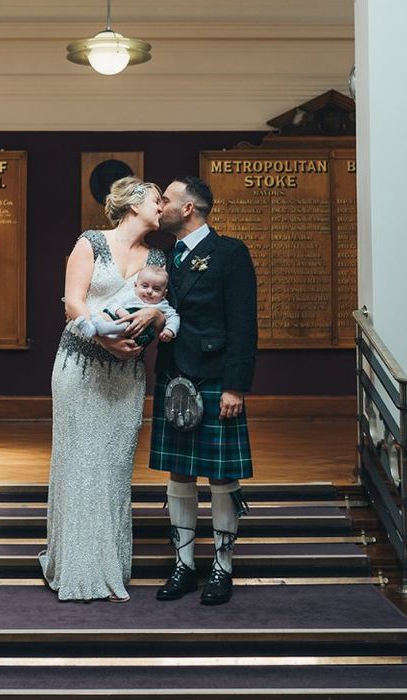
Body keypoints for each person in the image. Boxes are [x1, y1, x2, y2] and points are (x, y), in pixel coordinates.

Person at [39, 176, 166, 602]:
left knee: (113, 468)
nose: (162, 206)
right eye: (156, 199)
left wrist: (150, 328)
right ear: (133, 205)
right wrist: (104, 339)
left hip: (127, 376)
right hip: (80, 365)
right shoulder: (90, 242)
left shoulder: (158, 256)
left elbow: (161, 311)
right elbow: (73, 302)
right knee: (79, 464)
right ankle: (75, 569)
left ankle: (109, 567)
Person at [149, 175, 257, 606]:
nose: (161, 208)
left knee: (222, 475)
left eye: (167, 201)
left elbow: (244, 323)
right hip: (174, 376)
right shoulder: (165, 256)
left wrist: (236, 385)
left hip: (215, 379)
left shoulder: (229, 252)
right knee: (179, 473)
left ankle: (222, 566)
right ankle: (184, 565)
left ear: (188, 208)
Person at [73, 264, 180, 346]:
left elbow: (174, 317)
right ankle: (91, 328)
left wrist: (169, 330)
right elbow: (113, 304)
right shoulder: (130, 296)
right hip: (118, 322)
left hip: (138, 333)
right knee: (103, 315)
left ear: (164, 294)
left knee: (131, 322)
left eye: (156, 289)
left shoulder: (162, 304)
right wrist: (119, 311)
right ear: (135, 285)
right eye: (145, 286)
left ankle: (104, 329)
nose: (149, 291)